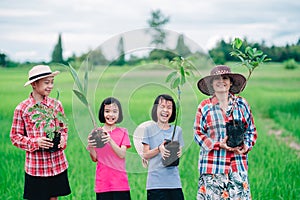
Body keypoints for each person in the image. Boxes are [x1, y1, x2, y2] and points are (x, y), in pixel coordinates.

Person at [194, 65, 257, 199]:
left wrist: (246, 146)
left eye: (225, 78)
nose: (221, 81)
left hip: (237, 165)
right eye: (216, 79)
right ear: (211, 84)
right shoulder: (205, 106)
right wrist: (218, 144)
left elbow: (251, 130)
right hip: (212, 167)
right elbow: (198, 134)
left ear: (231, 82)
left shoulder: (241, 104)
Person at [10, 65, 71, 200]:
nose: (50, 86)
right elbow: (14, 137)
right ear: (34, 84)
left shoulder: (56, 105)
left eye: (52, 82)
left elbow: (63, 128)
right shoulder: (22, 108)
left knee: (54, 198)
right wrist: (35, 142)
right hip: (36, 167)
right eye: (46, 82)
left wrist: (63, 139)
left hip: (57, 163)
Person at [87, 97, 131, 200]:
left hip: (120, 184)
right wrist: (92, 146)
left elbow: (122, 154)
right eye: (107, 111)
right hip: (103, 184)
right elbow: (94, 159)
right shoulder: (96, 133)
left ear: (119, 114)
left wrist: (110, 140)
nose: (111, 115)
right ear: (102, 113)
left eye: (114, 111)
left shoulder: (123, 132)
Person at [142, 94, 184, 200]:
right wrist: (159, 149)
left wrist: (179, 152)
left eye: (169, 107)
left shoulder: (177, 130)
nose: (165, 110)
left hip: (174, 183)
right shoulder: (149, 130)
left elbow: (180, 150)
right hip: (155, 184)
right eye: (162, 106)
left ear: (173, 111)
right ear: (156, 109)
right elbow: (145, 155)